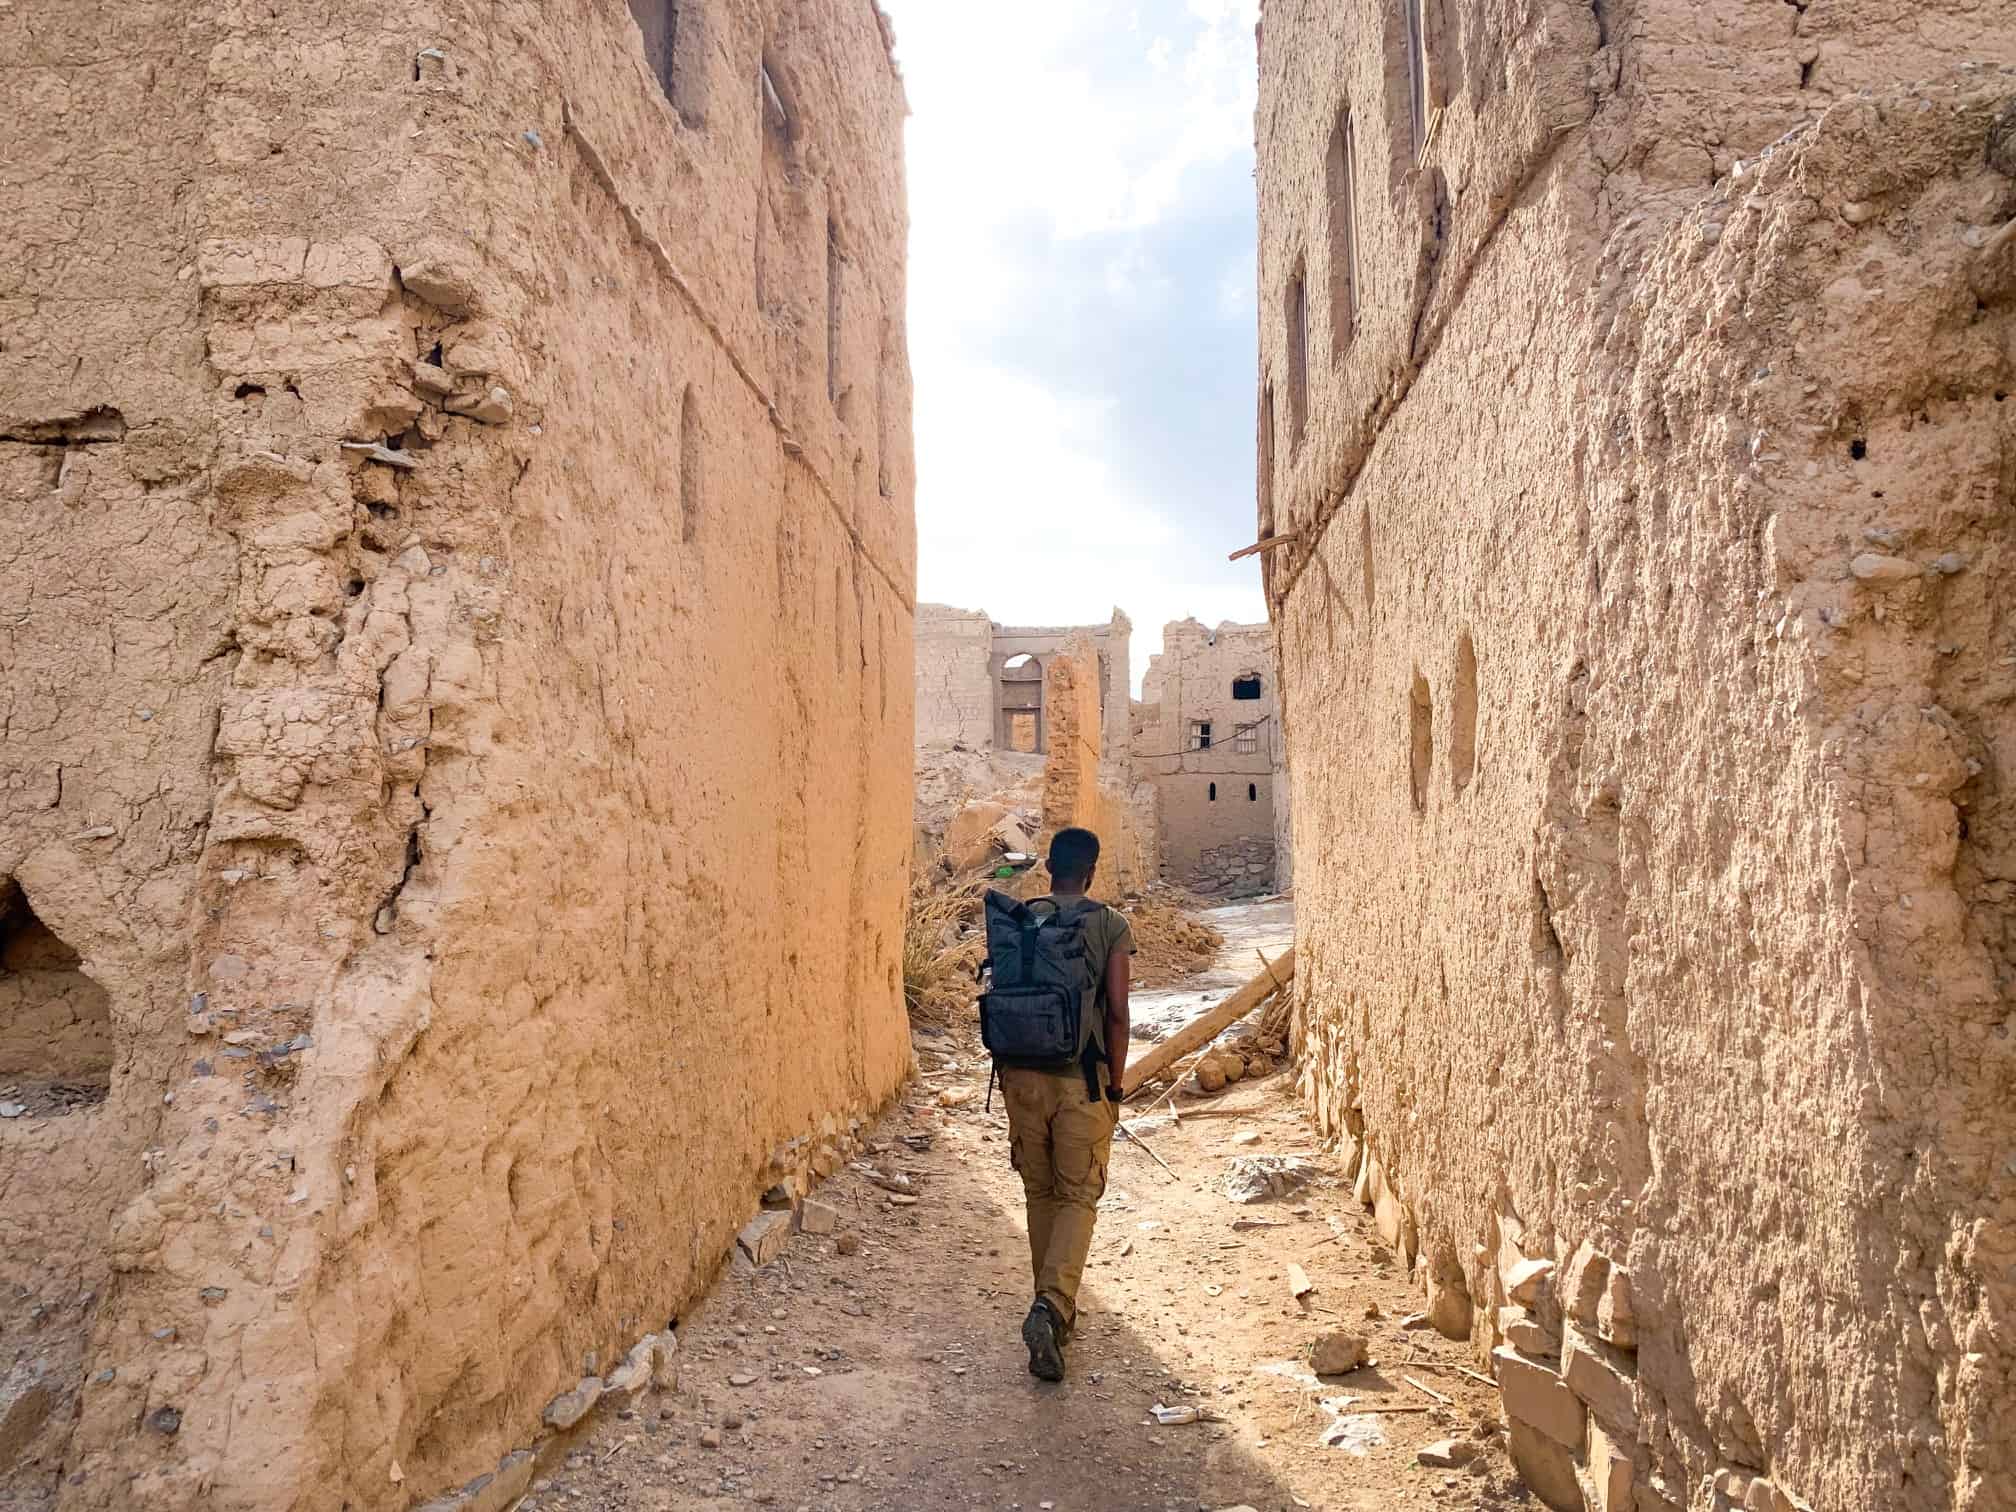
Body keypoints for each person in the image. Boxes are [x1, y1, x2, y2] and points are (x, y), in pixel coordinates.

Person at [998, 826, 1134, 1382]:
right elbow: (1120, 1013)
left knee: (1040, 1192)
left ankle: (1050, 1311)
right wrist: (1116, 1085)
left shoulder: (1021, 919)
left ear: (1049, 865)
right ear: (1093, 871)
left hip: (1020, 1078)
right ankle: (1051, 1309)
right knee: (1078, 1195)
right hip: (1080, 1080)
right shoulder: (1109, 925)